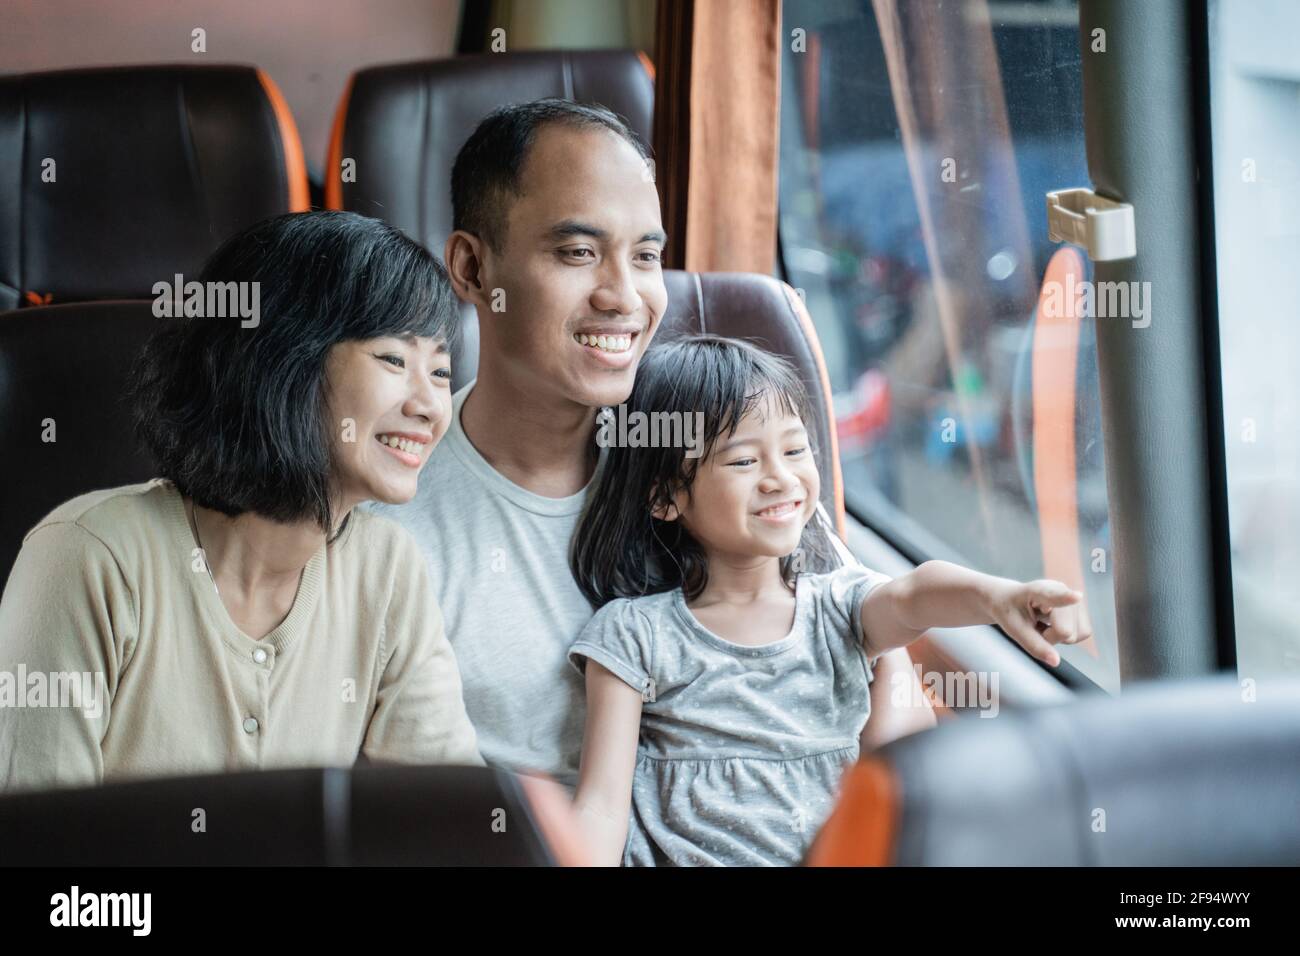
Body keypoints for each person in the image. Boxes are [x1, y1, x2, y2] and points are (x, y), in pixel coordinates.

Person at [372, 98, 936, 790]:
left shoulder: (713, 450)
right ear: (472, 268)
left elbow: (874, 650)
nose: (625, 296)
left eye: (644, 256)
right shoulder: (388, 516)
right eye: (578, 252)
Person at [0, 211, 483, 793]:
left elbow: (446, 820)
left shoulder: (389, 571)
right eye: (393, 359)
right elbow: (45, 857)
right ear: (283, 359)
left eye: (439, 370)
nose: (432, 405)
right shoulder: (88, 559)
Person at [567, 336, 1090, 865]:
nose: (781, 478)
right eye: (744, 460)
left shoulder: (837, 608)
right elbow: (601, 808)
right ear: (665, 498)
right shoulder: (634, 634)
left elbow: (913, 596)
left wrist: (998, 597)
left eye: (795, 450)